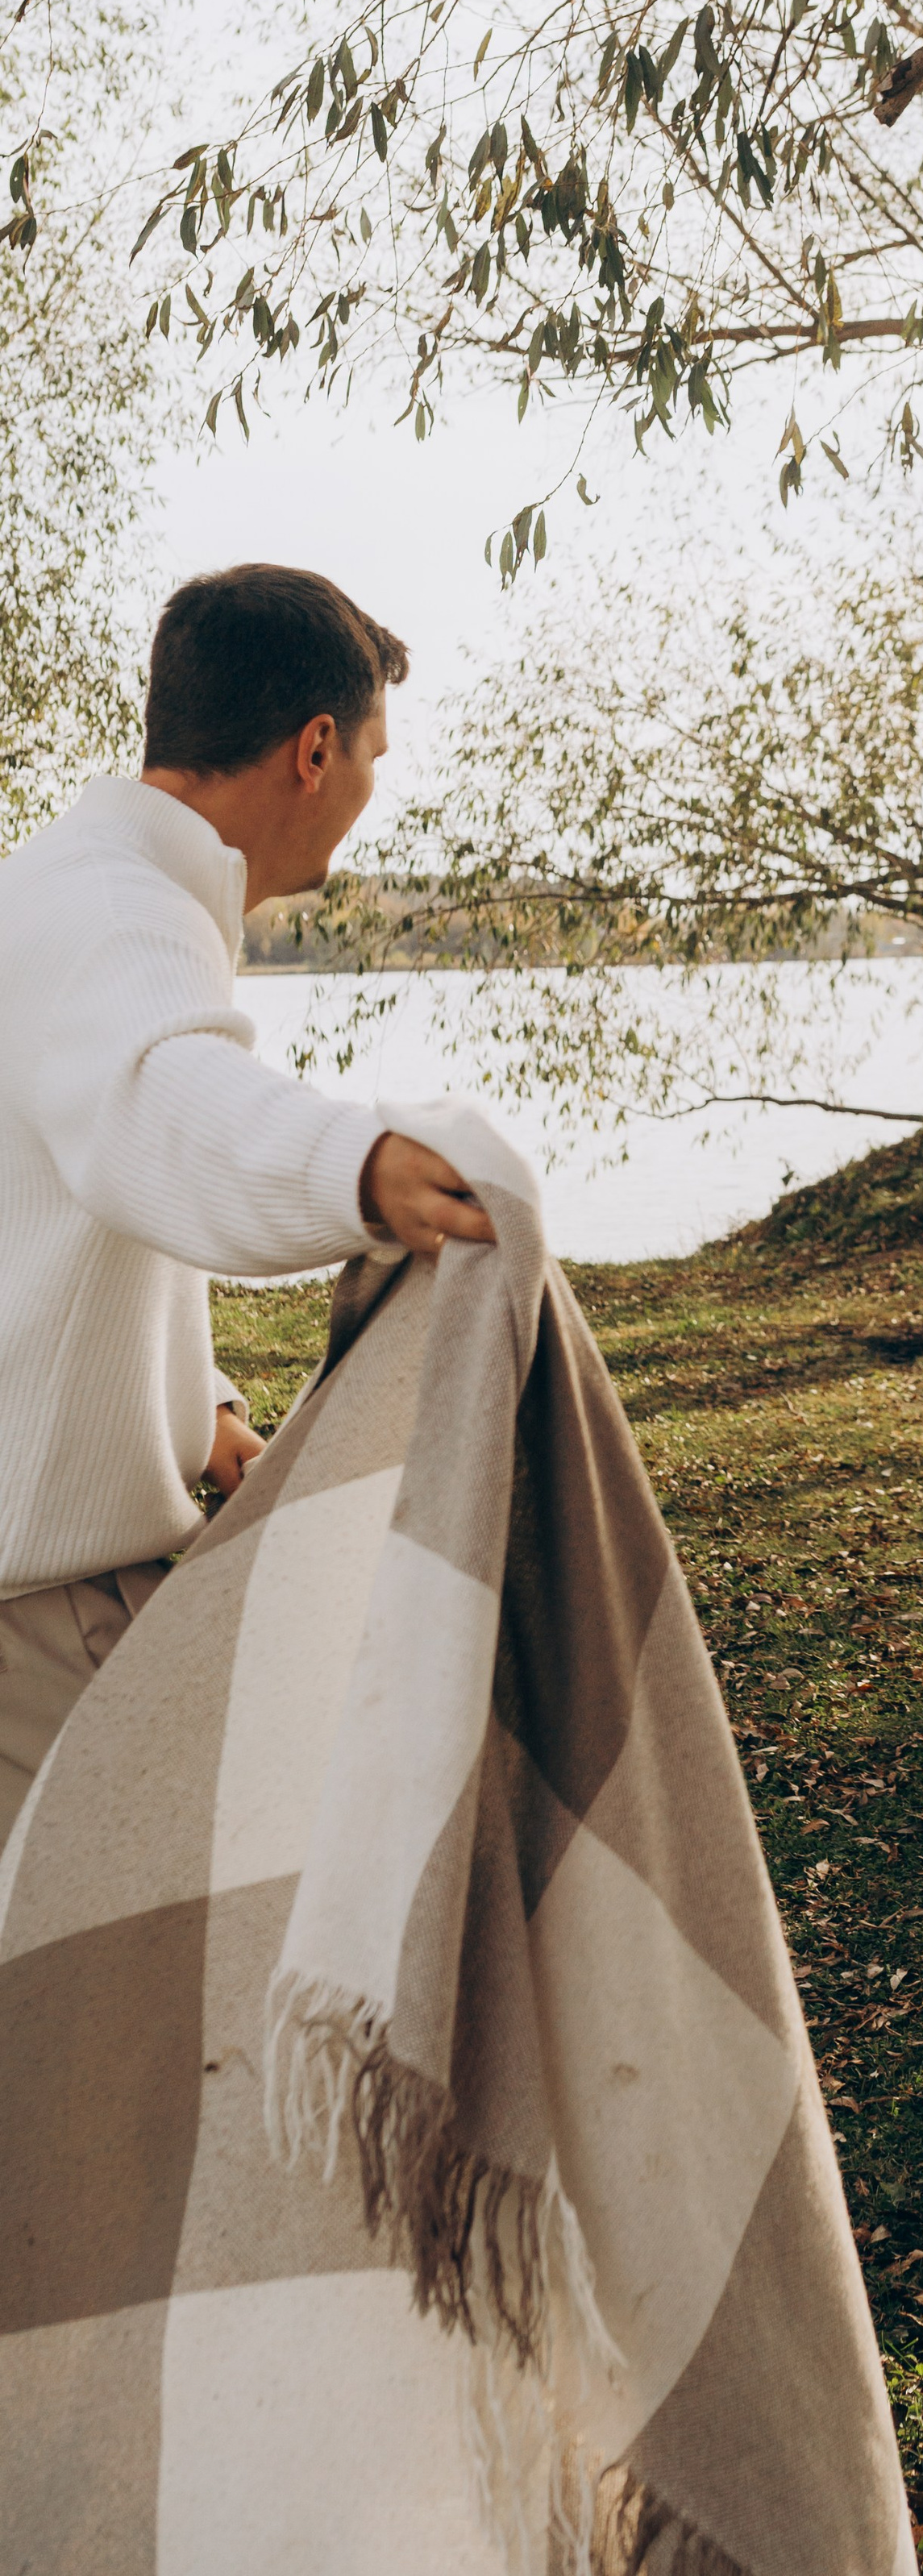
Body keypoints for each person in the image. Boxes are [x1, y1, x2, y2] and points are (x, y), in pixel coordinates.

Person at [0, 563, 495, 1845]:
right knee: (147, 2016)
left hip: (46, 1583)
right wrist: (366, 1166)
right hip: (38, 1607)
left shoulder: (79, 891)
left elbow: (84, 1192)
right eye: (373, 758)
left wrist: (196, 1407)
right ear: (314, 749)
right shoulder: (118, 918)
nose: (368, 802)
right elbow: (176, 1110)